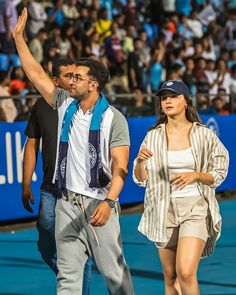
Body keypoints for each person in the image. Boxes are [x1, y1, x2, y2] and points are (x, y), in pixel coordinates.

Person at [13, 8, 134, 295]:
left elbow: (121, 167)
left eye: (78, 78)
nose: (71, 81)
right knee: (67, 278)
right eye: (71, 77)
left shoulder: (113, 119)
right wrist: (19, 38)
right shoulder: (65, 104)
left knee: (115, 276)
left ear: (93, 85)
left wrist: (109, 202)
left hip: (98, 203)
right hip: (65, 203)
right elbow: (35, 74)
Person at [133, 80, 229, 295]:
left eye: (174, 96)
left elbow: (220, 171)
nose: (167, 101)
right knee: (170, 279)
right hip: (162, 209)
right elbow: (140, 179)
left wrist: (195, 175)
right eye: (164, 98)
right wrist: (139, 162)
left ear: (186, 102)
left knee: (185, 273)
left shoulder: (203, 134)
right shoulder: (153, 135)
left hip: (194, 207)